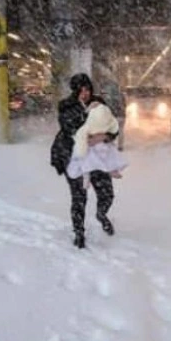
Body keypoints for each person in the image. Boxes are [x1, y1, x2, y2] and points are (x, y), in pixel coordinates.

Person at [50, 73, 117, 249]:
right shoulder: (66, 106)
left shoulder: (99, 104)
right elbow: (69, 127)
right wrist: (86, 114)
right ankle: (79, 233)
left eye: (87, 89)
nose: (85, 93)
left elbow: (111, 125)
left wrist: (105, 136)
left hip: (96, 157)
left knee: (107, 193)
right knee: (79, 197)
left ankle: (101, 215)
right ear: (74, 91)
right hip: (74, 157)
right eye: (81, 90)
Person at [66, 102, 128, 189]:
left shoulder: (102, 105)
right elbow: (71, 127)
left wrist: (104, 136)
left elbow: (113, 129)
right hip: (83, 146)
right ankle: (87, 176)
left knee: (109, 154)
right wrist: (85, 138)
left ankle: (111, 169)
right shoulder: (72, 106)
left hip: (102, 144)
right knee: (86, 160)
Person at [101, 80, 126, 151]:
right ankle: (120, 146)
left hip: (112, 116)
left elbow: (106, 106)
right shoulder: (121, 95)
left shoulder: (108, 97)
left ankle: (109, 143)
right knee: (121, 131)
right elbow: (124, 105)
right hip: (121, 115)